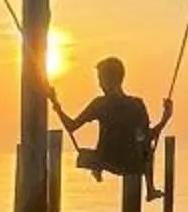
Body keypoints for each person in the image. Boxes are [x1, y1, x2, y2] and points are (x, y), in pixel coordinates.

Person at [54, 58, 169, 186]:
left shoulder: (100, 104)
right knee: (146, 148)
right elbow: (145, 138)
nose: (99, 84)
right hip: (131, 164)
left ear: (110, 80)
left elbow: (71, 126)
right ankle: (150, 188)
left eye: (101, 80)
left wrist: (56, 105)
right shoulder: (136, 104)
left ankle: (97, 168)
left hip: (107, 160)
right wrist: (164, 119)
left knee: (85, 155)